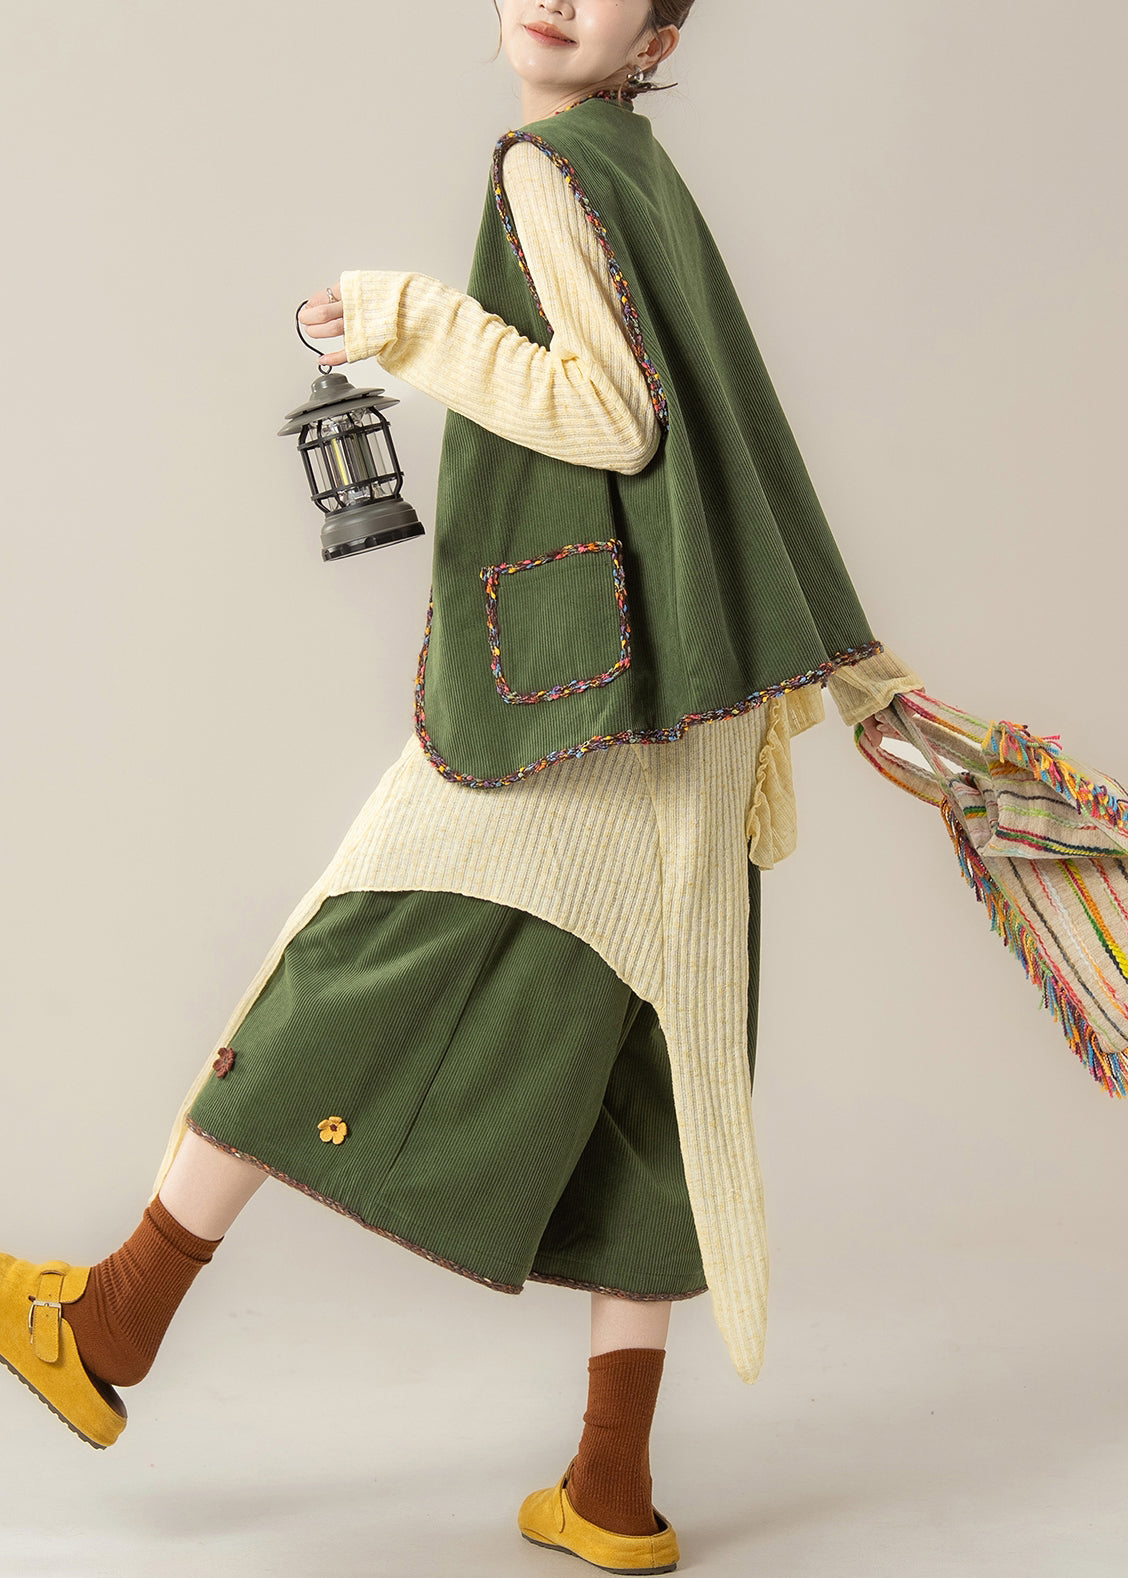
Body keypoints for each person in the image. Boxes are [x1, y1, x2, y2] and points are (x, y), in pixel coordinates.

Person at [0, 2, 919, 1572]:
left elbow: (614, 417)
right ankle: (612, 1488)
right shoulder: (637, 167)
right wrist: (839, 662)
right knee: (653, 1062)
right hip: (680, 694)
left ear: (658, 32)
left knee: (348, 952)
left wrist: (405, 320)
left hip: (580, 695)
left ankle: (114, 1318)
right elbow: (729, 432)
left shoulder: (551, 168)